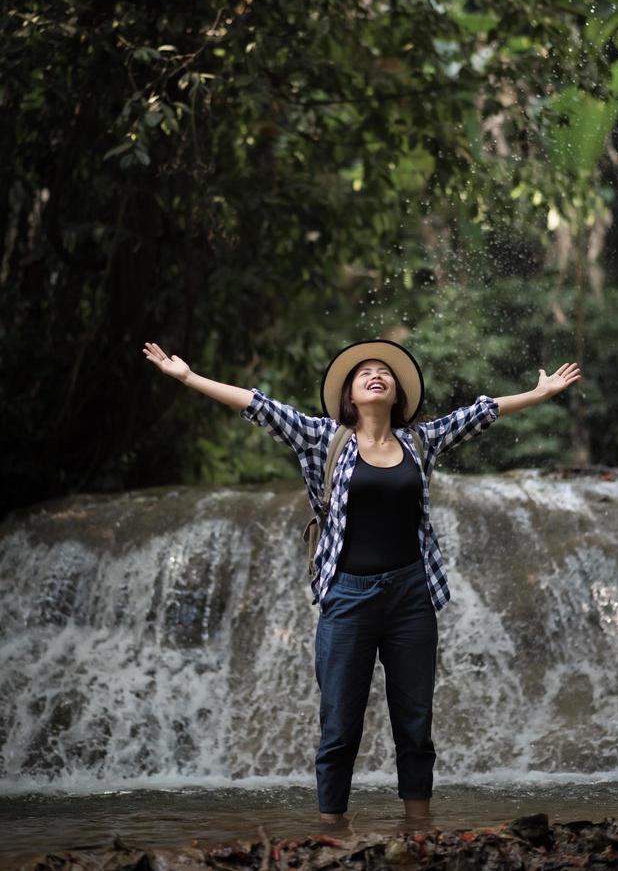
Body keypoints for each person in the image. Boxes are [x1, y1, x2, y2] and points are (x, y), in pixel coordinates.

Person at [143, 338, 581, 824]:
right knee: (339, 728)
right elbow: (256, 404)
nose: (376, 375)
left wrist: (538, 395)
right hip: (347, 597)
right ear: (350, 395)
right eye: (364, 373)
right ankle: (332, 830)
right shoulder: (321, 439)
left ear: (396, 396)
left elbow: (478, 413)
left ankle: (419, 827)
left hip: (412, 596)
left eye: (385, 373)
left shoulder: (421, 441)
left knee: (415, 725)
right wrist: (188, 378)